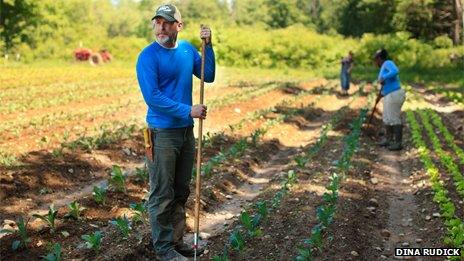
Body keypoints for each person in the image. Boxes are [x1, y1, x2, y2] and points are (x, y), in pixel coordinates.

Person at [136, 4, 215, 261]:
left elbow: (209, 74)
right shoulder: (147, 57)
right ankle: (163, 249)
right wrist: (187, 110)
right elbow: (153, 98)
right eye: (157, 22)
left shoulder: (186, 51)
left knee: (181, 191)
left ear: (178, 26)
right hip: (161, 133)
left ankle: (176, 242)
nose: (161, 27)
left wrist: (208, 46)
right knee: (161, 193)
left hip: (185, 132)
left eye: (167, 22)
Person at [374, 49, 405, 151]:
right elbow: (387, 85)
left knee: (394, 118)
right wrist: (380, 96)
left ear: (379, 58)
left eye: (376, 59)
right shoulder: (383, 67)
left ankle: (398, 143)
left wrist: (383, 77)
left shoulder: (388, 63)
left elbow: (395, 71)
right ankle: (388, 139)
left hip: (395, 94)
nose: (375, 62)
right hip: (389, 94)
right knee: (387, 118)